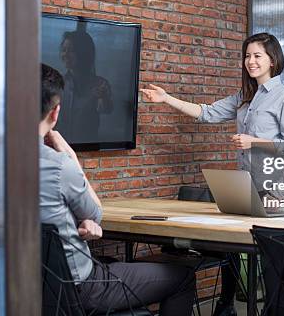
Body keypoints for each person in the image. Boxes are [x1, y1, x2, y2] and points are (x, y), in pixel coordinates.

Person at [140, 32, 284, 316]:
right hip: (246, 187)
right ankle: (229, 306)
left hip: (273, 191)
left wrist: (254, 141)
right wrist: (167, 99)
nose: (250, 61)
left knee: (267, 262)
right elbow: (207, 113)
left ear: (273, 60)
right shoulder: (244, 97)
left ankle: (269, 310)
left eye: (257, 56)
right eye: (248, 55)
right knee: (230, 245)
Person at [39, 63, 195, 316]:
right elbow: (96, 214)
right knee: (182, 278)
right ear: (55, 113)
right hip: (77, 289)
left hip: (19, 290)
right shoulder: (59, 166)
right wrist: (71, 158)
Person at [56, 28, 113, 143]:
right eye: (64, 50)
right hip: (59, 148)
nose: (65, 54)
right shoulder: (57, 82)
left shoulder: (100, 84)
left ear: (83, 53)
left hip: (88, 146)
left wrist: (103, 97)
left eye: (71, 50)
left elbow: (106, 110)